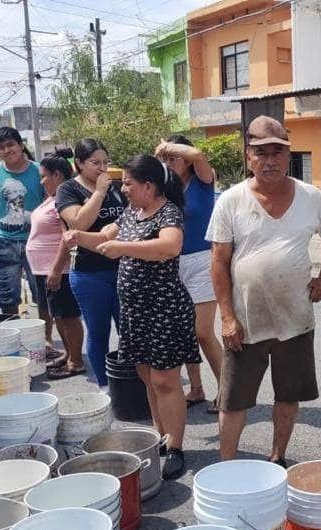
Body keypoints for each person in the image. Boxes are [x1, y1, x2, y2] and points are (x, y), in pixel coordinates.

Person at [207, 115, 321, 467]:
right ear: (247, 156)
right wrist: (227, 317)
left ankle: (277, 456)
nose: (270, 161)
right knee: (233, 400)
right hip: (245, 322)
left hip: (295, 318)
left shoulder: (310, 197)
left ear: (288, 154)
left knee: (288, 393)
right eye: (260, 153)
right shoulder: (231, 201)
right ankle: (227, 466)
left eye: (277, 152)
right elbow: (219, 262)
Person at [64, 154, 198, 480]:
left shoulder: (169, 212)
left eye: (128, 183)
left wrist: (124, 248)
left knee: (166, 380)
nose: (122, 188)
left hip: (164, 308)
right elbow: (106, 239)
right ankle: (160, 437)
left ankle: (176, 446)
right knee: (147, 379)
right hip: (135, 311)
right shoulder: (131, 213)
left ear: (148, 186)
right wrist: (80, 237)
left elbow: (169, 246)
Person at [155, 135, 223, 412]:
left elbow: (198, 153)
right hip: (171, 262)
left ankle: (228, 391)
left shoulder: (204, 181)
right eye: (165, 159)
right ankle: (196, 388)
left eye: (174, 157)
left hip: (203, 260)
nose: (169, 163)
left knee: (203, 331)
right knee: (184, 332)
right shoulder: (165, 188)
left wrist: (167, 147)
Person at [56, 139, 128, 387]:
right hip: (89, 273)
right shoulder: (68, 190)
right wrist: (98, 193)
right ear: (79, 163)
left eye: (105, 162)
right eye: (95, 163)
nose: (102, 168)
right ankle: (105, 385)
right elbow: (78, 223)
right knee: (98, 333)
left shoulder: (118, 186)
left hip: (123, 269)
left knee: (128, 331)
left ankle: (132, 384)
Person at [29, 152, 86, 379]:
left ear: (57, 175)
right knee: (58, 315)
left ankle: (76, 361)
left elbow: (68, 237)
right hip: (43, 268)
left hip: (57, 269)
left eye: (44, 176)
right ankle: (68, 353)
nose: (41, 181)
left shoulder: (63, 201)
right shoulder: (50, 198)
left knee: (68, 316)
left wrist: (55, 269)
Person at [0, 127, 44, 317]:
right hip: (4, 241)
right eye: (1, 147)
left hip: (36, 241)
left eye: (10, 145)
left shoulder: (39, 170)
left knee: (43, 294)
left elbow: (51, 204)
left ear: (21, 145)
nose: (6, 150)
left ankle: (45, 339)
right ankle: (12, 334)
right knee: (7, 296)